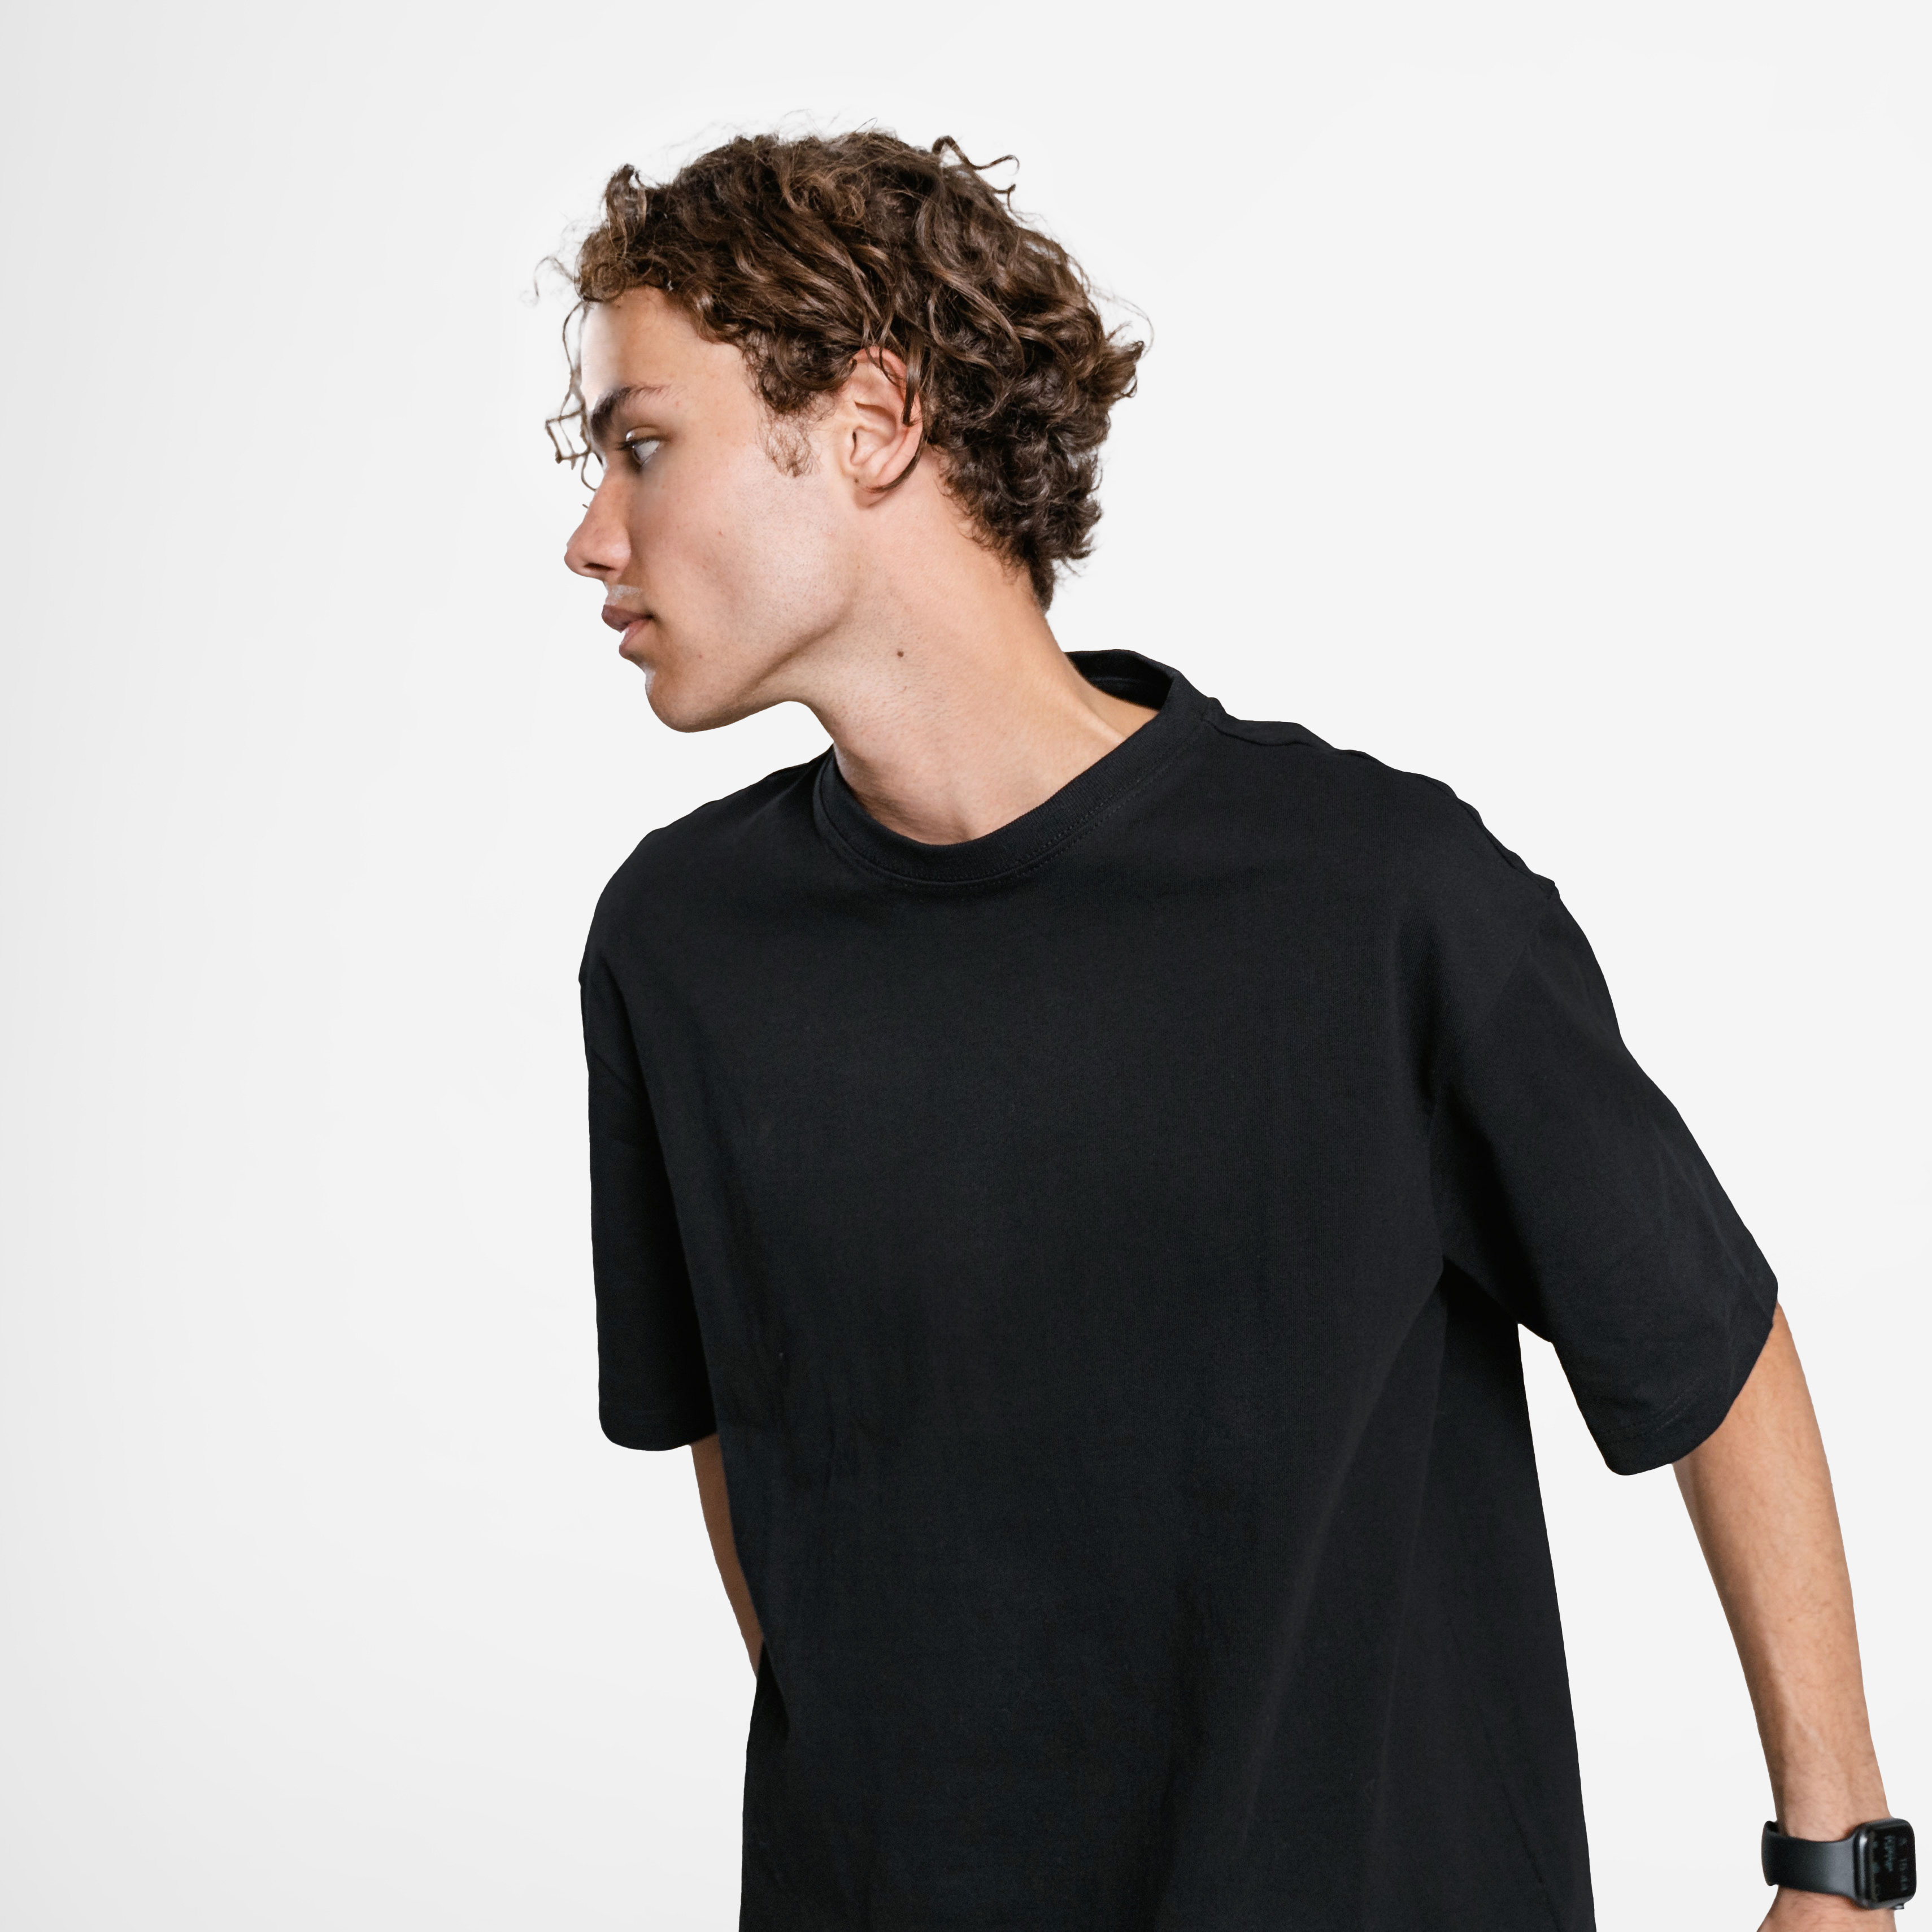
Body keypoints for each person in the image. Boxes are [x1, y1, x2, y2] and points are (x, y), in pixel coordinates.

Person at [556, 132, 1909, 1930]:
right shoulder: (681, 946)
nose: (592, 536)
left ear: (871, 419)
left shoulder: (1370, 897)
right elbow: (748, 1449)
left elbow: (1702, 1340)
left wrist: (1836, 1866)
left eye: (644, 446)